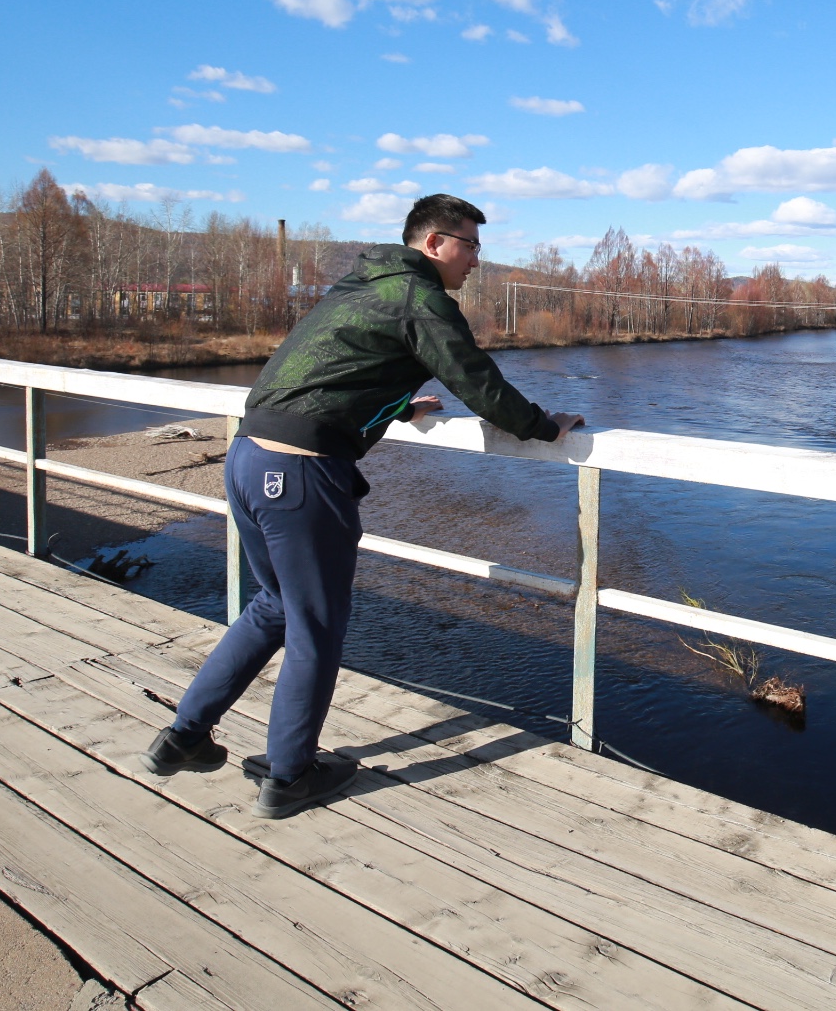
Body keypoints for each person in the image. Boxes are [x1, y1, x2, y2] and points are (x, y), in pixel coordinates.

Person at [136, 193, 584, 819]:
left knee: (273, 606)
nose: (476, 260)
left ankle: (183, 737)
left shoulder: (361, 284)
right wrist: (545, 427)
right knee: (315, 627)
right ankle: (289, 776)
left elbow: (332, 369)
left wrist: (395, 405)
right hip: (299, 473)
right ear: (434, 242)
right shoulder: (421, 298)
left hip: (247, 458)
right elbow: (478, 382)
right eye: (470, 245)